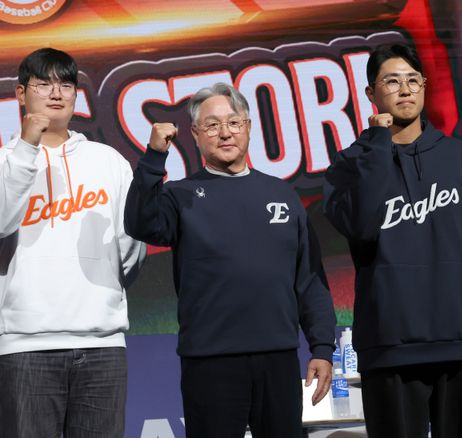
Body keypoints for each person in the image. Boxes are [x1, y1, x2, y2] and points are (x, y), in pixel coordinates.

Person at [323, 43, 462, 438]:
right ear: (371, 93)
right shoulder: (349, 165)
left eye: (413, 80)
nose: (405, 90)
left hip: (461, 341)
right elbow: (363, 225)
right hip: (389, 346)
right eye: (392, 82)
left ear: (425, 87)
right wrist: (377, 144)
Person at [124, 82, 336, 437]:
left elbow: (309, 280)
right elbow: (139, 223)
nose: (225, 133)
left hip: (278, 358)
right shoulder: (180, 196)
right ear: (195, 134)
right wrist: (154, 157)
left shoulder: (282, 194)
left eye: (234, 122)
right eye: (212, 125)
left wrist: (322, 348)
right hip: (211, 362)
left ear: (248, 127)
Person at [0, 48, 145, 438]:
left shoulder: (108, 161)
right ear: (20, 93)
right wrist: (27, 147)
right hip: (26, 347)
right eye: (43, 84)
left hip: (102, 344)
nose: (55, 93)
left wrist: (107, 289)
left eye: (65, 84)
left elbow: (130, 247)